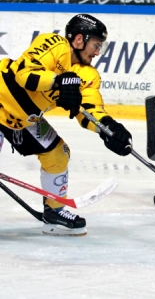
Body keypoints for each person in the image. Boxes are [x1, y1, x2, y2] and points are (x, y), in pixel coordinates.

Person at [0, 14, 132, 236]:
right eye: (96, 44)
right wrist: (58, 82)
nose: (98, 52)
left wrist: (108, 129)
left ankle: (54, 212)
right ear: (79, 39)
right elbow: (24, 75)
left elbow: (88, 110)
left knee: (58, 154)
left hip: (23, 120)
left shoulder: (88, 74)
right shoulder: (54, 44)